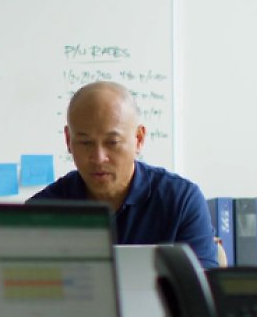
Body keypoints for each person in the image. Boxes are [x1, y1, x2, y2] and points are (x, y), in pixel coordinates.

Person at [27, 81, 218, 268]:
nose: (99, 158)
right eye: (85, 143)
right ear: (68, 140)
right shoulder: (41, 211)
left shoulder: (180, 201)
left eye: (112, 142)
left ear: (139, 139)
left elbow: (200, 292)